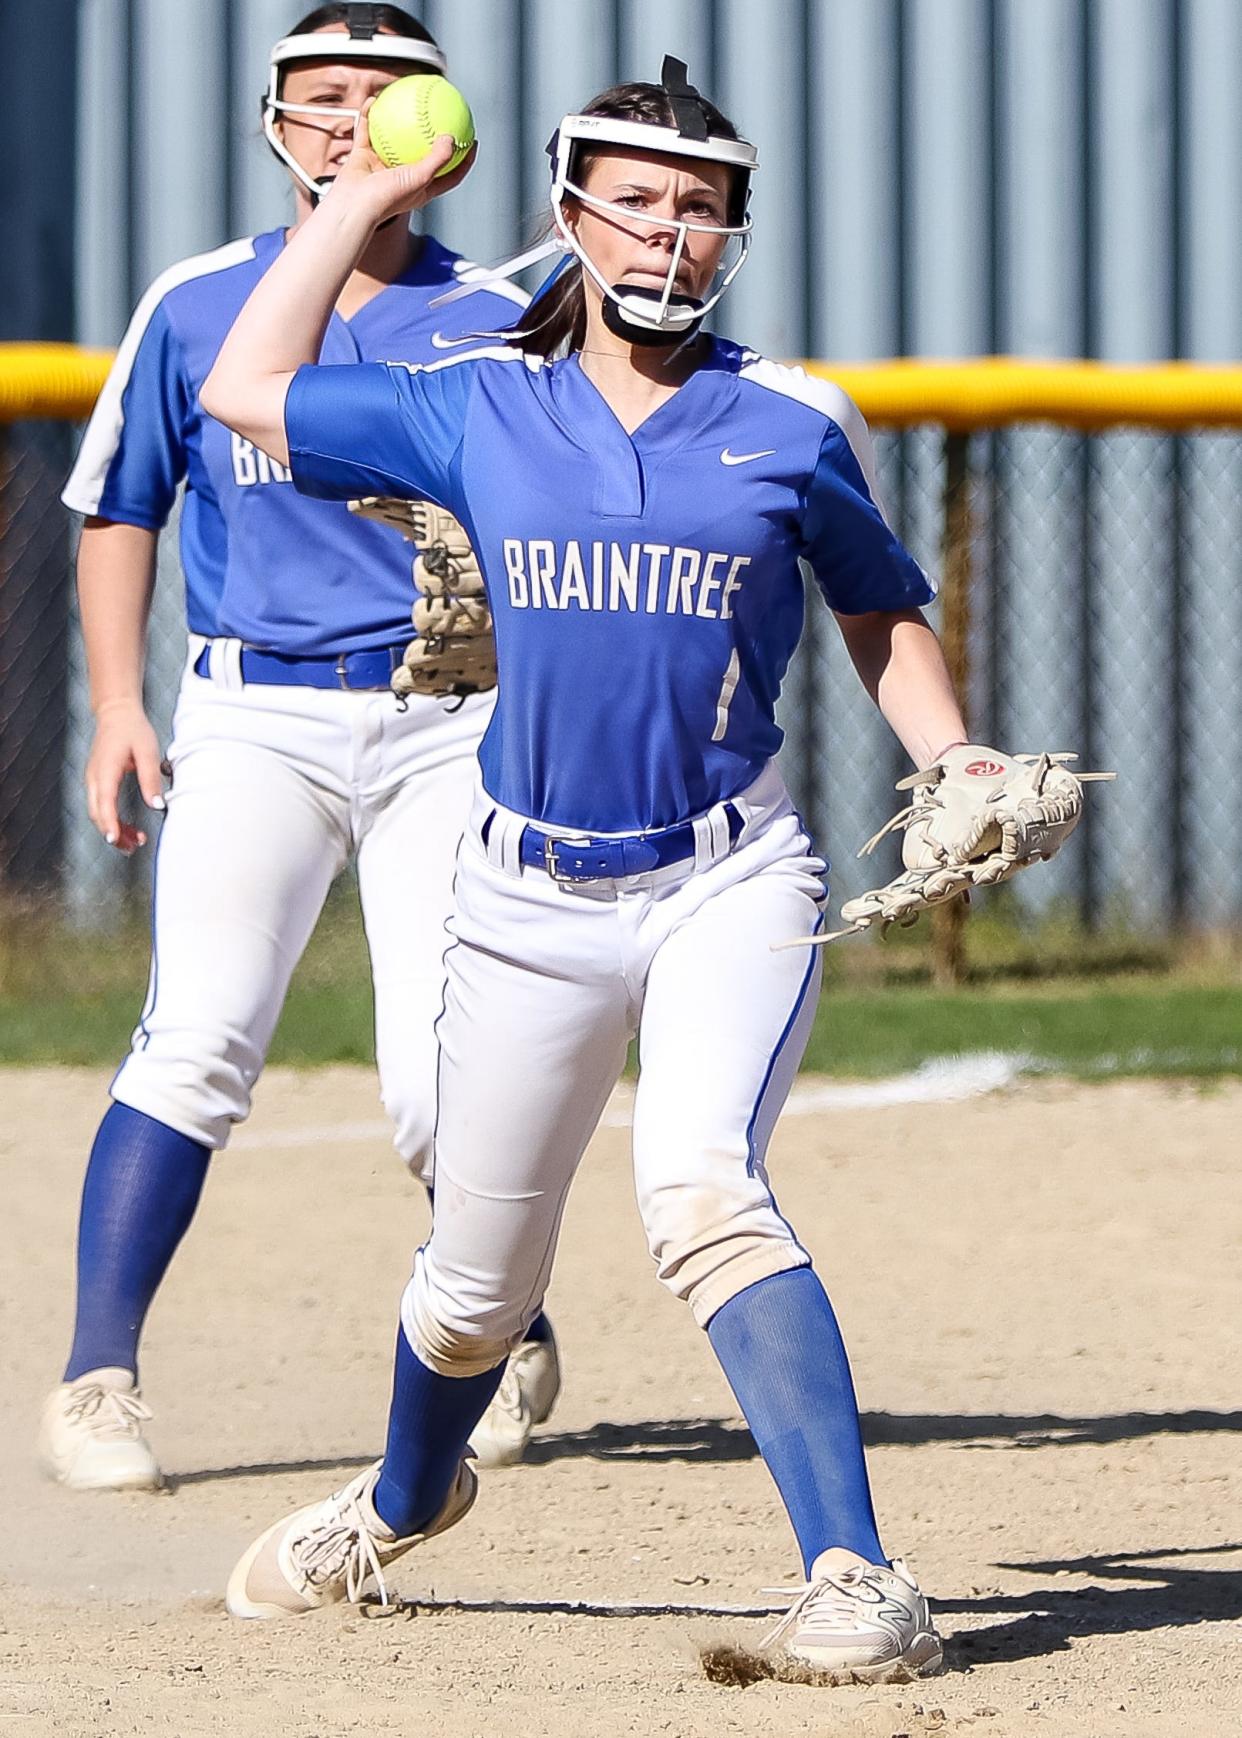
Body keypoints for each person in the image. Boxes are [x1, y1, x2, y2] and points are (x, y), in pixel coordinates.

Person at [201, 58, 961, 1676]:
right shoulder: (480, 397)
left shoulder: (789, 421)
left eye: (699, 202)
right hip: (522, 894)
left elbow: (877, 606)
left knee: (703, 1186)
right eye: (631, 194)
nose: (666, 228)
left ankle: (853, 1572)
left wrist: (951, 754)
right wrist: (357, 205)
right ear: (566, 214)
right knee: (474, 1297)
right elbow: (245, 389)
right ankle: (405, 1495)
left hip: (725, 874)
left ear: (734, 231)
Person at [40, 2, 560, 1495]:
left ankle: (499, 1317)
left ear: (441, 135)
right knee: (197, 1038)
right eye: (319, 96)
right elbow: (122, 501)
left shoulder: (505, 313)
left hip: (450, 720)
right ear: (272, 122)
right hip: (254, 708)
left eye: (383, 96)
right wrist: (122, 703)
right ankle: (97, 1378)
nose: (348, 122)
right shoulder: (199, 299)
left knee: (433, 1082)